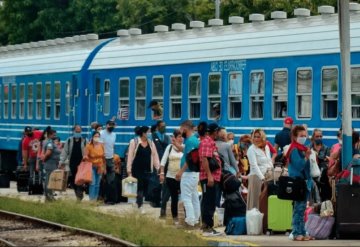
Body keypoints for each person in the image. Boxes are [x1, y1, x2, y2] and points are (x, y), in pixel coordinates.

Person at [285, 125, 313, 241]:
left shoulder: (301, 148)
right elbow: (299, 165)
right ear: (294, 137)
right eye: (301, 136)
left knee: (302, 209)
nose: (303, 137)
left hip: (304, 182)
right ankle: (296, 232)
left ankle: (302, 231)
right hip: (298, 182)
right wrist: (306, 157)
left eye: (305, 135)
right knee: (298, 209)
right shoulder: (295, 149)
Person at [127, 126, 160, 213]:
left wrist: (158, 168)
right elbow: (130, 156)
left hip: (147, 169)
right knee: (140, 187)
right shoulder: (134, 142)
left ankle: (138, 203)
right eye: (148, 132)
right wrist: (129, 169)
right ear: (143, 133)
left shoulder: (151, 143)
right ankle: (140, 205)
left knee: (145, 187)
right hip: (136, 168)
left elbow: (155, 156)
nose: (149, 133)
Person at [175, 120, 201, 228]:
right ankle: (196, 219)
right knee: (194, 197)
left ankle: (190, 221)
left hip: (188, 173)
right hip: (194, 174)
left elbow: (189, 159)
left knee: (186, 198)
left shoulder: (190, 141)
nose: (180, 132)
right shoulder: (194, 140)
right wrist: (176, 144)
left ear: (185, 128)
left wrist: (180, 172)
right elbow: (186, 151)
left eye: (181, 130)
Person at [199, 123, 222, 236]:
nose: (219, 134)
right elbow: (204, 159)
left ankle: (207, 226)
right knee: (208, 202)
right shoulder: (206, 143)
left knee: (211, 201)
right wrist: (209, 176)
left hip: (212, 178)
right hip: (208, 179)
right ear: (215, 132)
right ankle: (207, 227)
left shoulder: (211, 143)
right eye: (218, 131)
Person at [159, 129, 183, 224]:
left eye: (182, 137)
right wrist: (161, 173)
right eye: (179, 137)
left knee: (184, 198)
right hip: (170, 176)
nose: (181, 139)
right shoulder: (169, 147)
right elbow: (163, 161)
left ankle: (185, 216)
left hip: (182, 177)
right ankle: (174, 217)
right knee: (173, 197)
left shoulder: (184, 147)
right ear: (175, 138)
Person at [246, 129, 273, 210]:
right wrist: (262, 178)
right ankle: (253, 220)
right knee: (255, 201)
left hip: (268, 175)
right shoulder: (251, 149)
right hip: (256, 177)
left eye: (259, 137)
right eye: (255, 137)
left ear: (263, 137)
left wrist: (272, 171)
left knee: (264, 201)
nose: (256, 139)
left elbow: (269, 160)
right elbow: (254, 165)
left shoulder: (267, 147)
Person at [59, 125, 87, 201]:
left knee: (79, 180)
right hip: (71, 163)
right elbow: (64, 152)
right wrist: (61, 162)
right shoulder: (69, 141)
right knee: (72, 180)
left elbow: (87, 152)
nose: (78, 133)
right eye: (76, 131)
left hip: (81, 164)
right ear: (73, 131)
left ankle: (79, 195)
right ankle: (78, 192)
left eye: (79, 131)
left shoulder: (84, 141)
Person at [152, 120, 171, 214]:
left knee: (163, 182)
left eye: (165, 126)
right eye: (162, 126)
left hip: (165, 162)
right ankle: (155, 200)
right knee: (156, 181)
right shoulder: (153, 136)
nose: (164, 128)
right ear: (158, 127)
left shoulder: (166, 137)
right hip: (156, 161)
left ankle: (161, 200)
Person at [83, 131, 105, 201]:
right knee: (93, 183)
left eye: (98, 136)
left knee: (98, 184)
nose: (97, 138)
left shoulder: (101, 145)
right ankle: (91, 199)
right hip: (91, 166)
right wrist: (85, 157)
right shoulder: (88, 145)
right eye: (95, 136)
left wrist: (104, 167)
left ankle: (95, 199)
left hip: (100, 166)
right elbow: (85, 155)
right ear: (92, 137)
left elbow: (103, 157)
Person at [100, 120, 117, 205]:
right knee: (102, 179)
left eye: (113, 125)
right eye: (110, 125)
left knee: (111, 179)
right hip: (102, 159)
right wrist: (103, 162)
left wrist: (113, 157)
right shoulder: (101, 133)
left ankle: (111, 199)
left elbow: (112, 146)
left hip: (110, 159)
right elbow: (101, 146)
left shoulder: (114, 135)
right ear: (106, 125)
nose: (111, 127)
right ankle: (101, 197)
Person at [42, 129, 61, 201]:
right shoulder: (50, 142)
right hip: (50, 163)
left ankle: (49, 196)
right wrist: (45, 158)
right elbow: (48, 152)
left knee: (49, 180)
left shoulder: (48, 141)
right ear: (50, 135)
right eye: (54, 135)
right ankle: (49, 196)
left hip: (52, 163)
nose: (55, 136)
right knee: (49, 181)